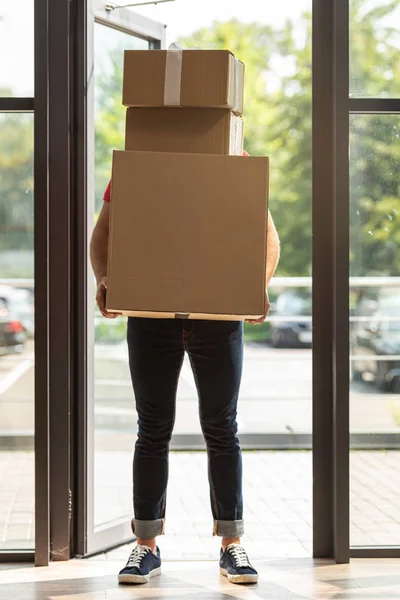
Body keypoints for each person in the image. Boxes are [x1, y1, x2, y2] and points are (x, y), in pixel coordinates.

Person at [90, 151, 280, 586]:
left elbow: (267, 235)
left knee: (221, 427)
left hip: (217, 317)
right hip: (151, 315)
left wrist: (255, 286)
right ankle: (145, 546)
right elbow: (103, 234)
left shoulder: (236, 160)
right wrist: (104, 277)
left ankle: (231, 545)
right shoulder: (139, 163)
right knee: (152, 428)